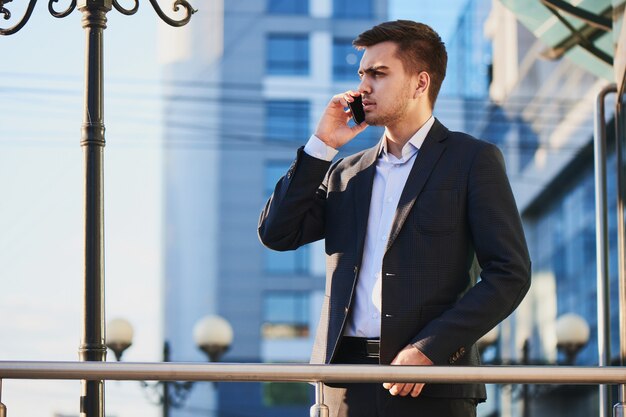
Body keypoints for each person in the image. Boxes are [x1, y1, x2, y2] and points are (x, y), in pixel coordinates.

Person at [258, 20, 531, 417]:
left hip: (431, 384)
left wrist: (431, 348)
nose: (363, 86)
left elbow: (510, 273)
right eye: (362, 74)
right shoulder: (345, 173)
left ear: (421, 83)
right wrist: (322, 145)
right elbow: (276, 233)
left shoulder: (472, 161)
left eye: (379, 73)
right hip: (342, 386)